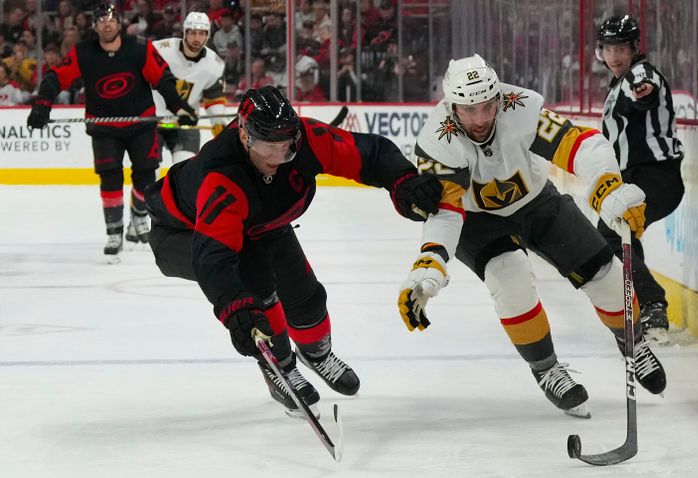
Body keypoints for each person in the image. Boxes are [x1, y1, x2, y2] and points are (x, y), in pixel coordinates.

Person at [144, 86, 443, 417]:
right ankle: (280, 366)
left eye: (285, 148)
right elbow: (214, 259)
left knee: (307, 297)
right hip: (181, 234)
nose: (276, 158)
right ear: (244, 136)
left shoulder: (307, 138)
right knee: (253, 278)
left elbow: (370, 153)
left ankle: (316, 354)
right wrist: (234, 307)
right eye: (265, 147)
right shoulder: (222, 177)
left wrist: (402, 180)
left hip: (262, 225)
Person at [398, 54, 668, 419]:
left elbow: (580, 144)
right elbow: (446, 211)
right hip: (479, 222)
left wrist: (606, 184)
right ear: (451, 106)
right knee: (510, 280)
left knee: (607, 277)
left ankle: (631, 341)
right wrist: (431, 260)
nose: (479, 120)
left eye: (486, 107)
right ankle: (546, 368)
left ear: (498, 97)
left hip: (538, 202)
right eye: (468, 110)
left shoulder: (519, 105)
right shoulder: (436, 138)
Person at [26, 3, 197, 259]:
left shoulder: (139, 47)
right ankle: (114, 231)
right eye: (101, 20)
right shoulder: (83, 53)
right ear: (95, 26)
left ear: (119, 23)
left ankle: (138, 217)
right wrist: (42, 105)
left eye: (111, 19)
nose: (107, 24)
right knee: (110, 177)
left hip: (141, 123)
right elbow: (55, 77)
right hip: (104, 126)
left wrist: (178, 106)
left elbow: (162, 78)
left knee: (146, 174)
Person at [595, 15, 685, 344]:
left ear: (635, 49)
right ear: (599, 52)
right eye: (609, 48)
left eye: (622, 48)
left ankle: (652, 305)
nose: (615, 55)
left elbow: (644, 86)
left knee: (608, 235)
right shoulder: (617, 84)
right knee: (620, 237)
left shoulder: (638, 73)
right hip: (637, 179)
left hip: (656, 176)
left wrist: (642, 91)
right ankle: (648, 306)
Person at [152, 12, 227, 166]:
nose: (196, 38)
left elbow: (213, 98)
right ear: (184, 33)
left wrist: (218, 121)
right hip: (152, 120)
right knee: (149, 172)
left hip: (186, 121)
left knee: (184, 171)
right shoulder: (161, 50)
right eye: (192, 32)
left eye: (201, 33)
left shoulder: (215, 65)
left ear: (208, 36)